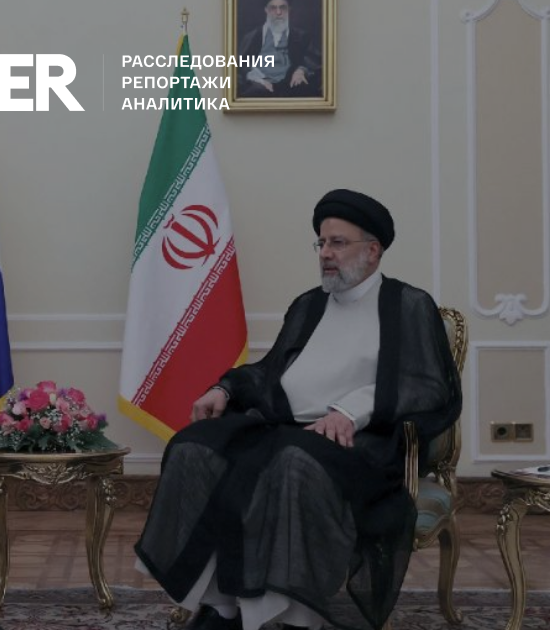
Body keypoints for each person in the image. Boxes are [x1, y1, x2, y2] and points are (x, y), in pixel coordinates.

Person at [134, 190, 462, 630]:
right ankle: (222, 606)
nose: (325, 253)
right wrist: (225, 389)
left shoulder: (407, 304)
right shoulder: (308, 305)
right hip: (283, 428)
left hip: (358, 441)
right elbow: (272, 370)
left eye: (337, 243)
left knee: (293, 463)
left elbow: (426, 384)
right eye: (321, 243)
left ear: (373, 250)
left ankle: (295, 616)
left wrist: (350, 412)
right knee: (194, 446)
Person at [237, 0, 322, 98]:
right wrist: (256, 78)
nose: (278, 12)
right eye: (273, 8)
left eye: (283, 8)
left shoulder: (301, 36)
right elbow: (240, 65)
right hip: (259, 86)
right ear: (266, 10)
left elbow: (314, 61)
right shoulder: (252, 37)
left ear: (289, 10)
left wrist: (301, 70)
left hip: (291, 86)